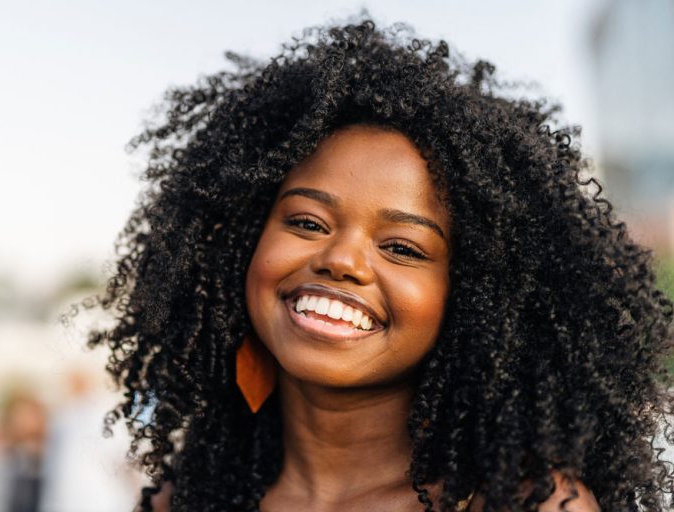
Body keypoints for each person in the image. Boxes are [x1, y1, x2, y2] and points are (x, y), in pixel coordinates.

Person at [86, 18, 674, 511]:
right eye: (307, 223)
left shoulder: (524, 504)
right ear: (239, 246)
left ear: (474, 298)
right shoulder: (183, 499)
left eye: (402, 248)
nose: (341, 259)